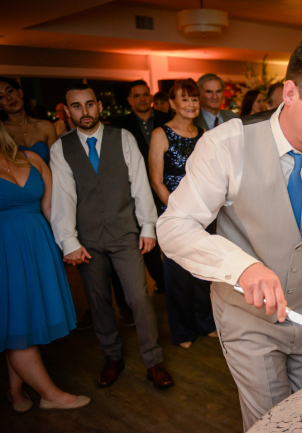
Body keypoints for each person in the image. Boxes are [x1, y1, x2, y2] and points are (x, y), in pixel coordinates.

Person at [157, 34, 302, 430]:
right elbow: (174, 227)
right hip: (246, 319)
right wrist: (241, 266)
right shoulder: (226, 145)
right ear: (290, 93)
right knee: (272, 423)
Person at [51, 84, 173, 389]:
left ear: (100, 106)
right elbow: (63, 197)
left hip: (125, 233)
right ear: (67, 111)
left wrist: (148, 226)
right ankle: (112, 356)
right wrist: (69, 241)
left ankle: (154, 361)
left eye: (89, 104)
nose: (84, 111)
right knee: (98, 299)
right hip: (87, 239)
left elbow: (140, 184)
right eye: (76, 106)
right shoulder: (60, 148)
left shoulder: (123, 137)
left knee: (140, 298)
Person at [0, 122, 90, 412]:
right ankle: (50, 395)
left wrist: (68, 244)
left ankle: (16, 390)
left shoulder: (32, 158)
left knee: (23, 320)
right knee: (16, 318)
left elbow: (52, 209)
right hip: (5, 252)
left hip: (39, 245)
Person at [148, 79, 216, 349]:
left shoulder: (203, 134)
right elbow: (157, 181)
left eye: (194, 99)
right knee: (178, 275)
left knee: (203, 273)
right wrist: (181, 212)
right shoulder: (160, 134)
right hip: (174, 215)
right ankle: (183, 331)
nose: (190, 104)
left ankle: (206, 323)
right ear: (172, 103)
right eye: (184, 99)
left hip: (203, 213)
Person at [113, 80, 167, 291]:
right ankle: (162, 281)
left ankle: (174, 279)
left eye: (145, 94)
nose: (142, 99)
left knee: (169, 234)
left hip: (166, 187)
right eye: (137, 95)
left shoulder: (166, 119)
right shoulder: (120, 125)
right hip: (137, 190)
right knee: (146, 235)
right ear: (129, 99)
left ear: (151, 97)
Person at [0, 77, 57, 164]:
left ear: (20, 93)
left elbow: (56, 164)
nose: (9, 97)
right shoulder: (2, 132)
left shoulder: (46, 126)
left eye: (10, 91)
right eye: (1, 97)